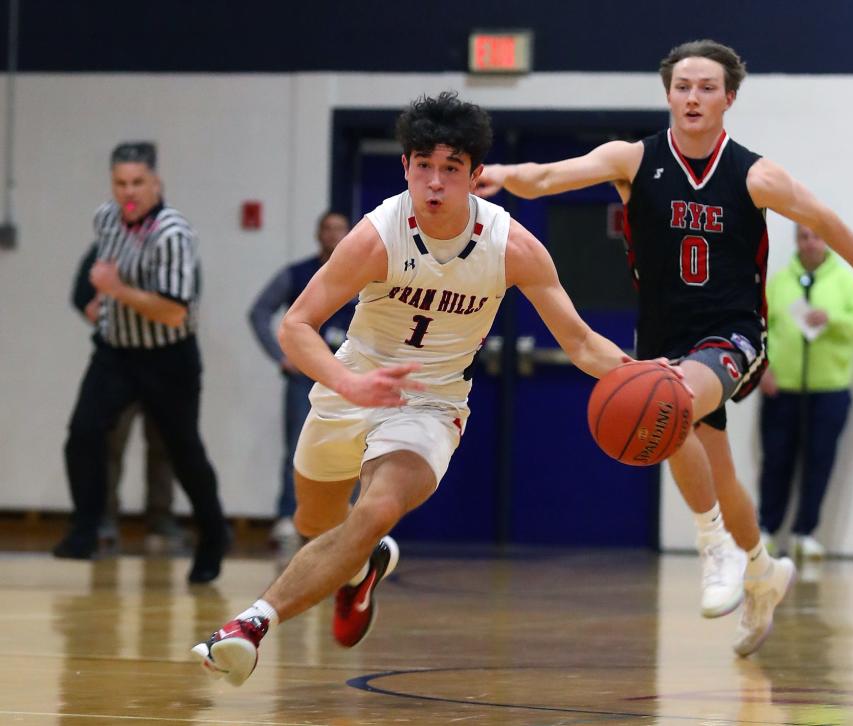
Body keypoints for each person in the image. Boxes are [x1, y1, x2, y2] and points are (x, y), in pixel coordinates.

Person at [191, 92, 677, 686]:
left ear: (476, 175)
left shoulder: (512, 246)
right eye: (424, 165)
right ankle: (361, 568)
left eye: (452, 168)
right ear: (405, 168)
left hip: (431, 403)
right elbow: (295, 326)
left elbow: (578, 343)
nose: (436, 182)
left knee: (374, 510)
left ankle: (248, 625)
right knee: (317, 522)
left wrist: (647, 375)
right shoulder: (377, 235)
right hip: (352, 385)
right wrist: (349, 381)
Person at [476, 39, 853, 656]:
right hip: (661, 337)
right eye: (683, 86)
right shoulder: (633, 159)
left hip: (732, 335)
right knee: (718, 468)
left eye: (707, 87)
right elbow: (546, 177)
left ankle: (714, 547)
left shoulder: (754, 174)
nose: (693, 97)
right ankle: (760, 570)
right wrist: (499, 176)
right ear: (668, 94)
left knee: (671, 405)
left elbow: (827, 219)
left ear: (730, 98)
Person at [54, 141, 228, 584]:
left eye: (137, 183)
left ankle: (214, 536)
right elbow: (99, 275)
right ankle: (87, 529)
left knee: (183, 450)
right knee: (83, 434)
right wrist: (98, 304)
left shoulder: (174, 234)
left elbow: (174, 310)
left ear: (156, 184)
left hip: (168, 357)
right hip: (116, 352)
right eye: (120, 183)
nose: (128, 192)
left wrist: (116, 291)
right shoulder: (105, 218)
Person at [757, 224, 853, 560]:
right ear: (796, 241)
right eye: (803, 236)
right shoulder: (778, 282)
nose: (810, 243)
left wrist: (831, 319)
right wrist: (762, 368)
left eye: (816, 236)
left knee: (819, 462)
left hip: (828, 391)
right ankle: (767, 531)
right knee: (776, 462)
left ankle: (806, 533)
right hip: (782, 390)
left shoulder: (844, 281)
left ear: (826, 241)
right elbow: (759, 327)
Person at [248, 211, 355, 549]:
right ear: (318, 234)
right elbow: (259, 312)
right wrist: (281, 356)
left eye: (340, 229)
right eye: (328, 229)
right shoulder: (297, 274)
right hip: (305, 375)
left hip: (348, 376)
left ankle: (342, 518)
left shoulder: (365, 272)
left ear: (350, 234)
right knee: (297, 444)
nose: (334, 235)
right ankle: (287, 517)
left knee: (349, 447)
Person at [71, 242, 182, 552]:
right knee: (111, 442)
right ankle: (105, 518)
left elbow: (185, 300)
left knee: (164, 444)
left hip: (164, 362)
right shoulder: (105, 249)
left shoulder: (173, 250)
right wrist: (100, 316)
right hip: (120, 363)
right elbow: (80, 294)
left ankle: (161, 517)